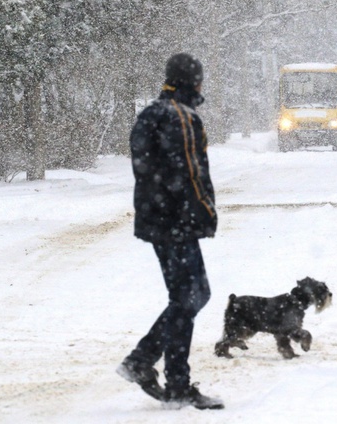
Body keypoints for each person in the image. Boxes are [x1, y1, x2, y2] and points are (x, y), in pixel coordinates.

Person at [116, 53, 224, 410]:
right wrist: (207, 212)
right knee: (192, 296)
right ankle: (148, 365)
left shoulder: (151, 113)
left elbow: (147, 168)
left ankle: (166, 376)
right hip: (177, 222)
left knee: (187, 297)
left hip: (157, 220)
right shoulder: (181, 116)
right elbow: (190, 173)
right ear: (193, 82)